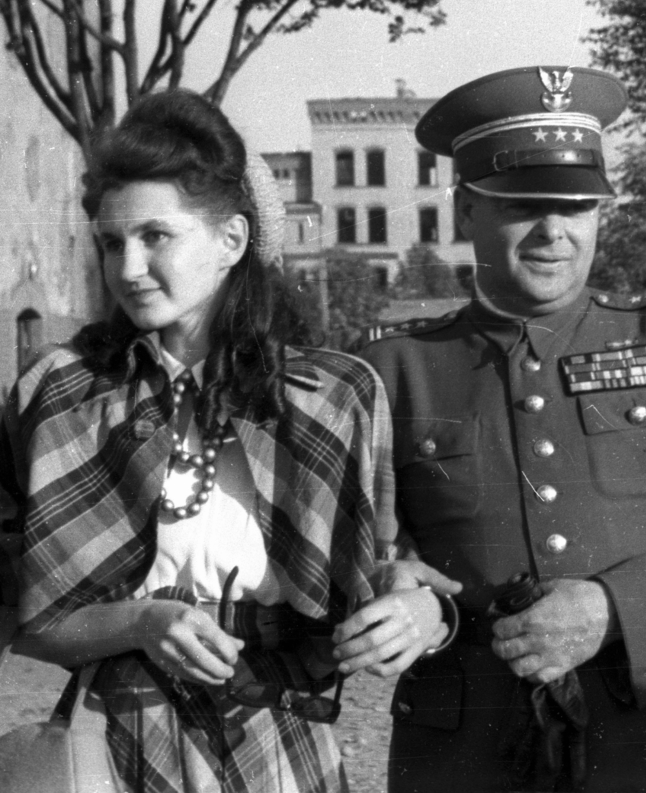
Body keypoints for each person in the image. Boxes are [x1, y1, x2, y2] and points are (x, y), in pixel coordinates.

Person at [361, 65, 646, 792]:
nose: (554, 232)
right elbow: (353, 555)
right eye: (523, 205)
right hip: (471, 754)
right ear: (466, 210)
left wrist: (616, 609)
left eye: (577, 206)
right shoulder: (392, 368)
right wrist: (392, 586)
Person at [0, 91, 446, 792]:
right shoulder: (61, 395)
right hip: (114, 739)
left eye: (157, 236)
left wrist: (415, 608)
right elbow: (24, 617)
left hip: (280, 731)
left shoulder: (332, 397)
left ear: (232, 241)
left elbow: (399, 568)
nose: (130, 267)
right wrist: (141, 622)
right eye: (113, 243)